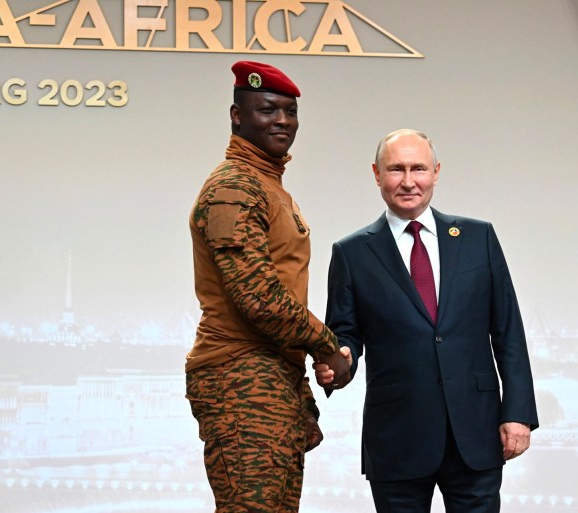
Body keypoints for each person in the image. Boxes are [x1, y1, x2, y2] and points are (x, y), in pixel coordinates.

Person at [314, 129, 539, 513]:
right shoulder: (351, 253)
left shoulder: (478, 238)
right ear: (376, 174)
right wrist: (338, 361)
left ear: (436, 172)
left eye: (418, 168)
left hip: (476, 432)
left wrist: (517, 412)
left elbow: (508, 332)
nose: (407, 181)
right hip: (397, 435)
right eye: (395, 169)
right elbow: (344, 333)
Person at [185, 60, 351, 513]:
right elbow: (259, 297)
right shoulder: (234, 188)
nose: (282, 121)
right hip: (240, 376)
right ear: (237, 116)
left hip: (270, 373)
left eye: (290, 112)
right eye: (267, 110)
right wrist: (326, 345)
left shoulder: (266, 184)